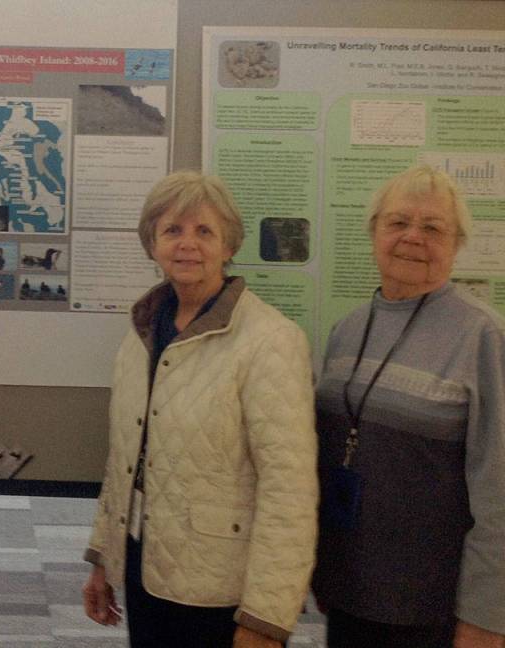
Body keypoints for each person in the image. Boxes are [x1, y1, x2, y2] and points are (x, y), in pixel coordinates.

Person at [83, 170, 317, 648]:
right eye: (172, 230)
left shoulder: (271, 341)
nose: (187, 244)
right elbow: (125, 458)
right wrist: (104, 557)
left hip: (220, 591)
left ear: (228, 246)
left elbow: (289, 490)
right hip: (144, 566)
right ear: (152, 244)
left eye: (204, 231)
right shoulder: (142, 332)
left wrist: (266, 617)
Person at [313, 165, 505, 648]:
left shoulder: (483, 336)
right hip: (348, 592)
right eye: (398, 222)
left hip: (433, 610)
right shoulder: (347, 330)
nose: (412, 237)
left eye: (433, 227)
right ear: (374, 232)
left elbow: (499, 490)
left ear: (457, 243)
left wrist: (487, 617)